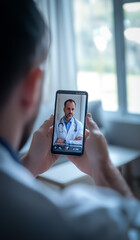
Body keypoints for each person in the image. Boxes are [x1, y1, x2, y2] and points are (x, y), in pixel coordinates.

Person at [0, 0, 140, 239]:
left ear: (74, 110)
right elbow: (133, 228)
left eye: (72, 108)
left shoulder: (74, 127)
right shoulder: (75, 224)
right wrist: (102, 167)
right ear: (32, 87)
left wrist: (30, 165)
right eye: (67, 107)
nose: (69, 111)